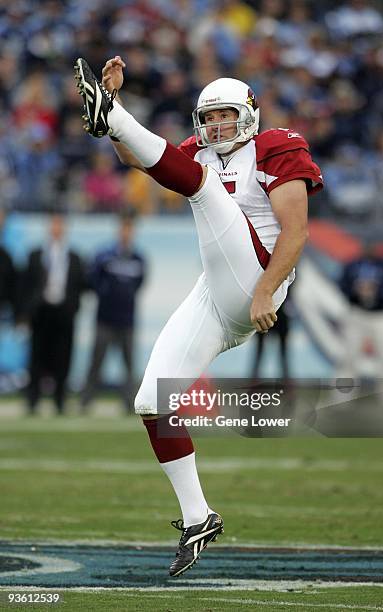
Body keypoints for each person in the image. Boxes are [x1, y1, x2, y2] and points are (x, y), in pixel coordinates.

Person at [74, 55, 323, 576]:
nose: (215, 126)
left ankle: (110, 114)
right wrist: (115, 110)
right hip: (215, 290)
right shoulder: (198, 153)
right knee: (151, 401)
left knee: (205, 186)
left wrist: (265, 292)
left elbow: (296, 232)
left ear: (249, 114)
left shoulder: (277, 146)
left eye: (225, 115)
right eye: (207, 118)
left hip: (259, 278)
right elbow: (138, 161)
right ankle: (197, 516)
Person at [81, 210, 146, 414]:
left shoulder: (138, 258)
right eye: (123, 228)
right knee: (96, 361)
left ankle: (129, 403)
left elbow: (139, 284)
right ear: (119, 230)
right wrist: (107, 294)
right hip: (105, 319)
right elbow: (92, 280)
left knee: (128, 364)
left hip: (127, 320)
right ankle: (86, 400)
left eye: (129, 228)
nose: (126, 232)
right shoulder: (104, 256)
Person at [22, 212, 85, 414]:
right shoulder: (36, 254)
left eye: (60, 225)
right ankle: (33, 400)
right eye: (54, 224)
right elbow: (27, 285)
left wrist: (74, 306)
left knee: (63, 358)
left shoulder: (74, 257)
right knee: (36, 357)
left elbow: (80, 285)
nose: (56, 229)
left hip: (64, 313)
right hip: (41, 312)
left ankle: (59, 400)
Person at [337, 243, 383, 384]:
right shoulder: (353, 264)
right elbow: (342, 284)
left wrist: (375, 292)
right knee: (349, 358)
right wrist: (356, 292)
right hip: (357, 313)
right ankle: (341, 400)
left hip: (380, 315)